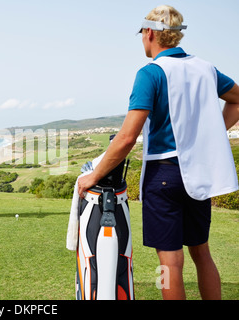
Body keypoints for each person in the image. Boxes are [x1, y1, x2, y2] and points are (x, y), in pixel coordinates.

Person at [77, 5, 239, 300]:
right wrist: (212, 135)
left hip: (164, 175)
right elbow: (237, 100)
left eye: (142, 34)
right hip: (199, 173)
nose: (142, 40)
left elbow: (127, 138)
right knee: (202, 253)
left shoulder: (151, 73)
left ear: (149, 32)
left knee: (170, 263)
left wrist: (93, 176)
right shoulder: (206, 68)